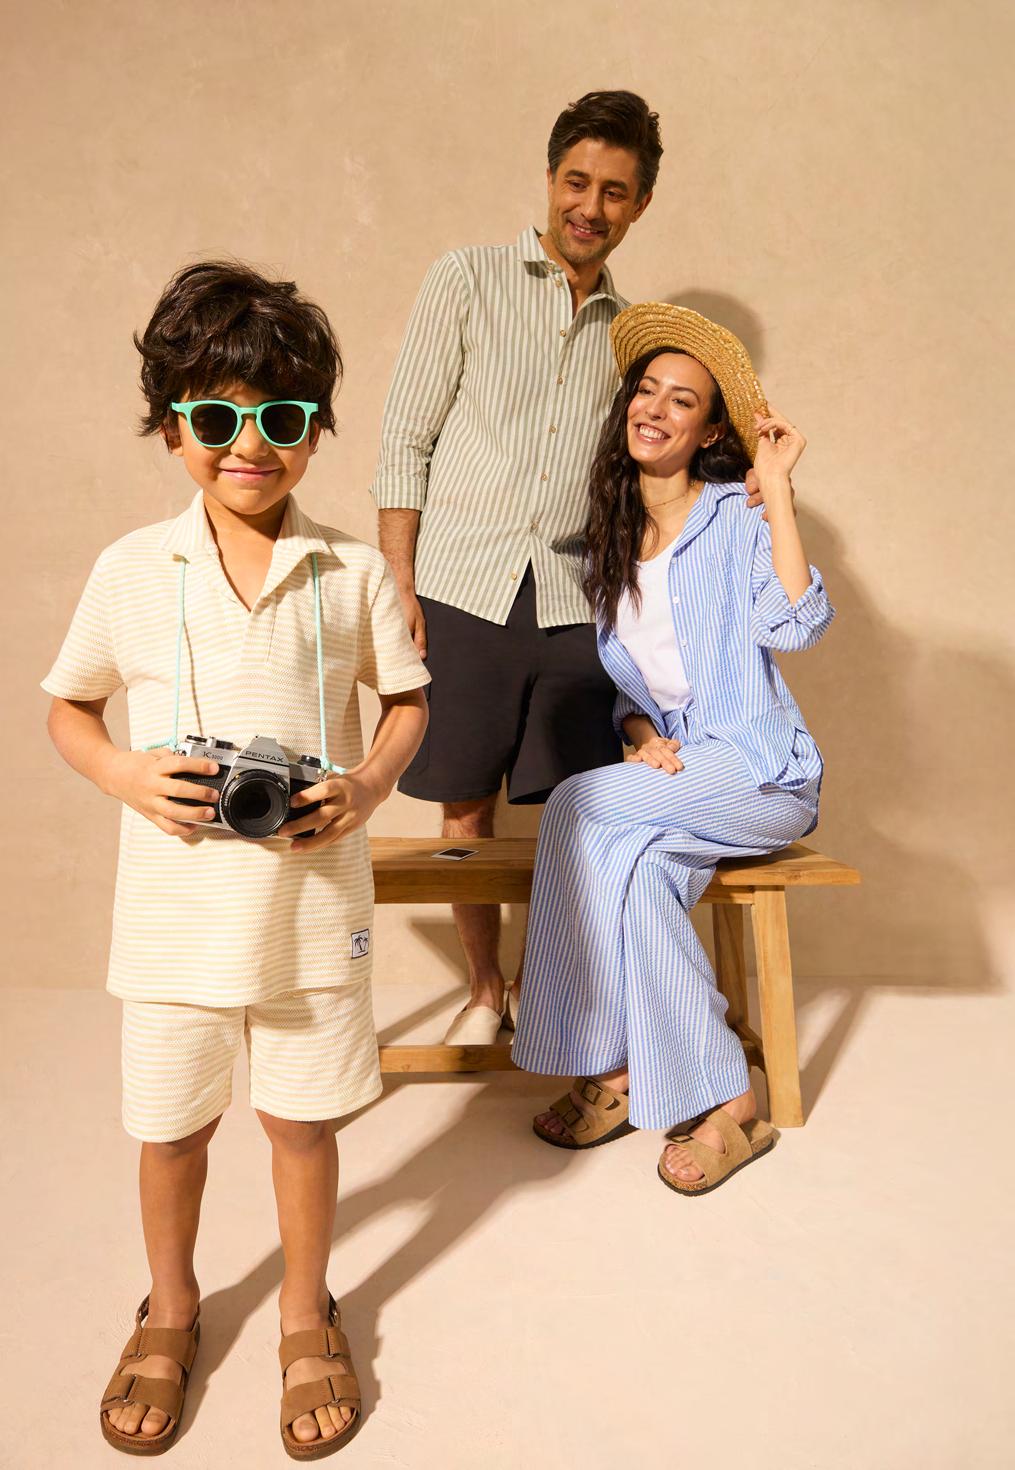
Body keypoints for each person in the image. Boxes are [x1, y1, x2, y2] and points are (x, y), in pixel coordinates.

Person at [43, 261, 429, 1456]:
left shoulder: (351, 573)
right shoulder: (130, 569)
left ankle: (306, 1312)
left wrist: (367, 785)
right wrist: (121, 772)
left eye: (281, 417)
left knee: (303, 1126)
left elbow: (407, 701)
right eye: (214, 418)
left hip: (310, 910)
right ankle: (170, 1305)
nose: (248, 445)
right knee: (170, 1130)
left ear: (316, 428)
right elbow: (67, 707)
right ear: (172, 427)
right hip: (174, 917)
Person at [511, 302, 834, 1196]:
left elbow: (795, 625)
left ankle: (609, 1065)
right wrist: (640, 735)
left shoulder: (734, 514)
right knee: (643, 874)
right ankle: (730, 1099)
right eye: (646, 390)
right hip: (685, 772)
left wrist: (777, 491)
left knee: (578, 803)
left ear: (710, 431)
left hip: (762, 771)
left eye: (681, 400)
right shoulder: (611, 544)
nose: (654, 408)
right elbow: (635, 687)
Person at [370, 91, 662, 1045]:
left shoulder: (633, 334)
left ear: (639, 204)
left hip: (573, 596)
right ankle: (485, 991)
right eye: (577, 182)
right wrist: (399, 583)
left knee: (579, 808)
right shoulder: (465, 278)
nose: (590, 206)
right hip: (461, 584)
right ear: (548, 179)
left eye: (613, 191)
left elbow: (629, 477)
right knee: (465, 805)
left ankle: (558, 993)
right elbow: (405, 439)